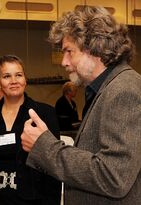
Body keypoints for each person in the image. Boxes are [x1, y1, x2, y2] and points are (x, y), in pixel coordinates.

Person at [21, 6, 141, 205]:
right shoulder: (108, 88)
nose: (64, 62)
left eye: (69, 51)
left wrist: (44, 146)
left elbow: (113, 177)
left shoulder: (124, 90)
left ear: (95, 48)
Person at [0, 55, 61, 205]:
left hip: (34, 199)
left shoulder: (44, 113)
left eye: (18, 75)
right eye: (6, 76)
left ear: (25, 79)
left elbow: (53, 165)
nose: (14, 81)